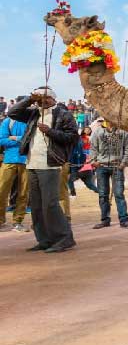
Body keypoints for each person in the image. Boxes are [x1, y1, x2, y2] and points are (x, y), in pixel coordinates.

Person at [8, 87, 77, 252]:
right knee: (37, 205)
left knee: (50, 204)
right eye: (38, 99)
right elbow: (13, 112)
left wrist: (51, 132)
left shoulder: (63, 114)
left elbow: (73, 137)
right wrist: (29, 99)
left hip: (50, 164)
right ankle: (44, 239)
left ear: (53, 98)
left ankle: (64, 238)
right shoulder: (34, 112)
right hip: (32, 163)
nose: (41, 101)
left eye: (44, 98)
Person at [90, 120, 128, 229]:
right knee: (102, 195)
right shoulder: (98, 132)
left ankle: (124, 220)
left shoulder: (123, 131)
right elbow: (93, 147)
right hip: (101, 166)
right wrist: (93, 161)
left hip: (117, 166)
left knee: (119, 194)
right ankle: (105, 220)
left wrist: (123, 163)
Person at [0, 116, 30, 232]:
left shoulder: (31, 120)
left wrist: (15, 138)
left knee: (23, 193)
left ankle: (18, 221)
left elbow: (32, 139)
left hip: (27, 160)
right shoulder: (8, 121)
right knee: (2, 190)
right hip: (9, 160)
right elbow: (1, 140)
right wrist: (23, 139)